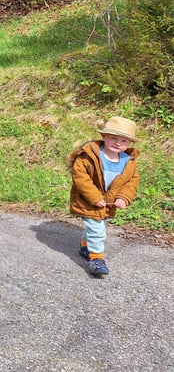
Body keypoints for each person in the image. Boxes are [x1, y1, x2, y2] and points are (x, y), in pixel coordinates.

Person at [68, 116, 141, 277]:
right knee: (98, 230)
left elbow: (132, 181)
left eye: (123, 141)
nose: (118, 143)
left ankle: (85, 246)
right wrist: (94, 197)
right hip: (88, 201)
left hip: (109, 203)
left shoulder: (128, 161)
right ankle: (97, 259)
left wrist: (123, 197)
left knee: (99, 225)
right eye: (113, 138)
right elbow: (81, 177)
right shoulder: (89, 156)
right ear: (104, 137)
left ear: (129, 143)